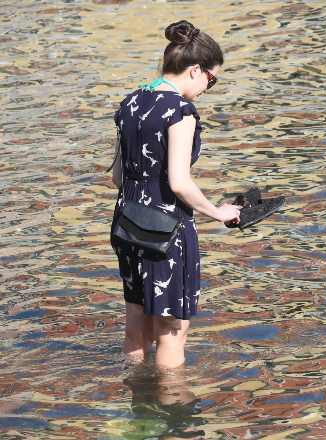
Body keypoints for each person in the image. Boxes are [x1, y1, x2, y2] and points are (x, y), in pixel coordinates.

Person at [110, 20, 241, 370]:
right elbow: (180, 182)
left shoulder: (130, 103)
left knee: (137, 321)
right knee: (172, 329)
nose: (207, 88)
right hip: (166, 229)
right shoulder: (181, 111)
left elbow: (117, 176)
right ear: (195, 70)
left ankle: (135, 395)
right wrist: (219, 212)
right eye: (211, 80)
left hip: (126, 223)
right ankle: (168, 414)